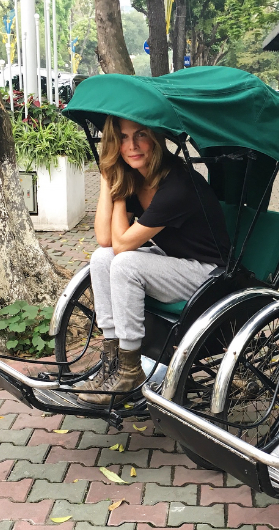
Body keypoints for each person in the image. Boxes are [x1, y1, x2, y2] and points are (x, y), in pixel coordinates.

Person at [82, 116, 230, 405]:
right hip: (172, 261)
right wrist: (107, 179)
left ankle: (130, 370)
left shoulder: (177, 185)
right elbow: (105, 239)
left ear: (156, 139)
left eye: (140, 135)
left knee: (124, 263)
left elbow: (122, 244)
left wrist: (119, 193)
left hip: (207, 273)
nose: (132, 146)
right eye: (123, 138)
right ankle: (112, 359)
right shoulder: (138, 177)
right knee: (101, 258)